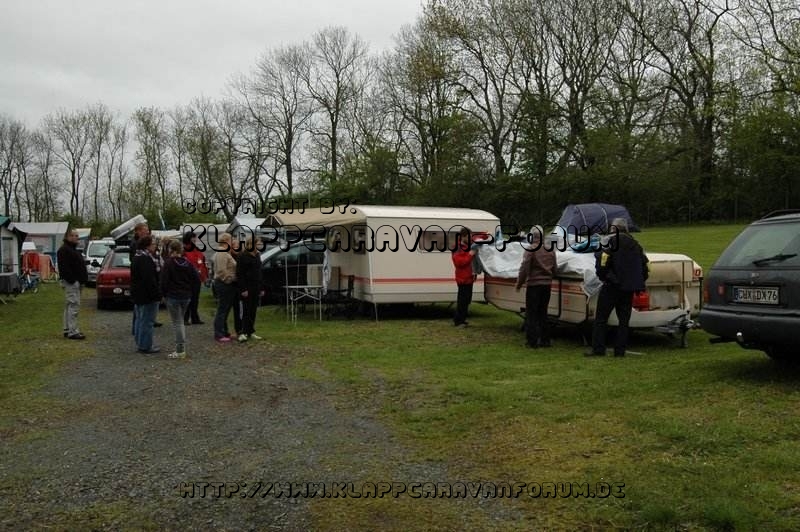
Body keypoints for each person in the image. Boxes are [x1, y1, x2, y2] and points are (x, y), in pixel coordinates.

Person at [586, 218, 649, 357]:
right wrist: (636, 282)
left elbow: (602, 261)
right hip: (628, 289)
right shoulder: (636, 245)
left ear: (614, 229)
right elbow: (644, 267)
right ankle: (620, 350)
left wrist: (605, 277)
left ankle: (598, 349)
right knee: (624, 321)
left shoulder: (611, 242)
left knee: (601, 319)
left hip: (612, 287)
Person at [515, 225, 556, 348]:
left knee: (531, 314)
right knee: (543, 313)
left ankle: (532, 341)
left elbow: (524, 268)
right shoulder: (550, 250)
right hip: (547, 285)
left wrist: (519, 283)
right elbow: (555, 268)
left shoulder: (530, 250)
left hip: (534, 285)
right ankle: (545, 340)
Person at [160, 240, 198, 359]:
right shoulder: (188, 263)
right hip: (186, 296)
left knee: (177, 323)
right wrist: (190, 291)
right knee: (180, 321)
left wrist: (163, 294)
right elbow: (195, 278)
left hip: (173, 296)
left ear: (170, 250)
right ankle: (181, 348)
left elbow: (164, 281)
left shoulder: (168, 263)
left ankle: (180, 349)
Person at [131, 235, 162, 354]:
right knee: (147, 321)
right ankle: (145, 345)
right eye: (153, 244)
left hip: (139, 294)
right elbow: (149, 280)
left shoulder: (137, 256)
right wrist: (157, 294)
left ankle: (140, 342)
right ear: (147, 245)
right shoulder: (145, 259)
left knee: (140, 319)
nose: (155, 246)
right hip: (147, 295)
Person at [57, 228, 88, 340]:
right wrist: (73, 281)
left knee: (69, 305)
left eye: (77, 236)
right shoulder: (64, 250)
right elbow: (64, 268)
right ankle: (73, 331)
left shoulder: (72, 249)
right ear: (68, 237)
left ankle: (67, 328)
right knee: (73, 305)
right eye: (74, 235)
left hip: (76, 282)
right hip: (72, 282)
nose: (77, 238)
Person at [212, 232, 240, 343]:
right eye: (230, 240)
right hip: (224, 284)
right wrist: (229, 279)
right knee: (222, 309)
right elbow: (221, 270)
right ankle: (218, 333)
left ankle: (224, 331)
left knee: (226, 309)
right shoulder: (222, 253)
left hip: (226, 284)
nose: (232, 242)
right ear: (226, 241)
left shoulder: (224, 252)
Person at [236, 235, 263, 342]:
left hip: (256, 286)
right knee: (245, 310)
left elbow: (259, 272)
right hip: (246, 286)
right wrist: (243, 289)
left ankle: (250, 331)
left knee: (253, 310)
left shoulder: (257, 255)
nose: (259, 245)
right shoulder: (242, 256)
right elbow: (240, 274)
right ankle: (242, 332)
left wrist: (261, 288)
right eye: (258, 243)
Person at [451, 227, 478, 327]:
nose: (471, 239)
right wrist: (470, 255)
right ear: (463, 236)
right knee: (462, 300)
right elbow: (459, 262)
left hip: (468, 278)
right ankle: (458, 321)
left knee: (466, 300)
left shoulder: (467, 246)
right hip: (462, 278)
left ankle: (462, 319)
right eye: (469, 236)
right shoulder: (457, 247)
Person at [182, 232, 208, 325]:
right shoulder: (184, 250)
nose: (194, 239)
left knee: (195, 299)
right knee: (188, 299)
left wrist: (204, 275)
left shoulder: (196, 249)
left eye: (195, 238)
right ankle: (185, 318)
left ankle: (195, 318)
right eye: (193, 238)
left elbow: (201, 261)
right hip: (187, 278)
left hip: (197, 278)